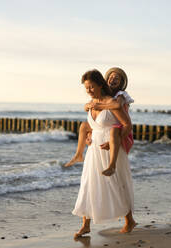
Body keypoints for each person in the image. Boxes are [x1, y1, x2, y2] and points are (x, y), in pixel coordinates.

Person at [67, 69, 136, 238]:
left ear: (99, 85)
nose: (88, 90)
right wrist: (89, 136)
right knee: (88, 185)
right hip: (93, 151)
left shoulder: (112, 102)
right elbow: (93, 126)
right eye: (86, 87)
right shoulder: (91, 104)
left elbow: (127, 124)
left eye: (91, 87)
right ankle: (85, 225)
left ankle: (129, 220)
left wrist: (116, 140)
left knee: (115, 185)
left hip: (110, 149)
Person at [64, 67, 134, 177]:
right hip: (95, 148)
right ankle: (78, 154)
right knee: (83, 126)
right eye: (111, 77)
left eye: (117, 78)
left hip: (119, 127)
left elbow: (116, 106)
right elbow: (99, 123)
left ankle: (112, 165)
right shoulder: (99, 97)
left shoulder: (120, 95)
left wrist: (99, 106)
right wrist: (90, 133)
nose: (113, 80)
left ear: (122, 82)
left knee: (114, 131)